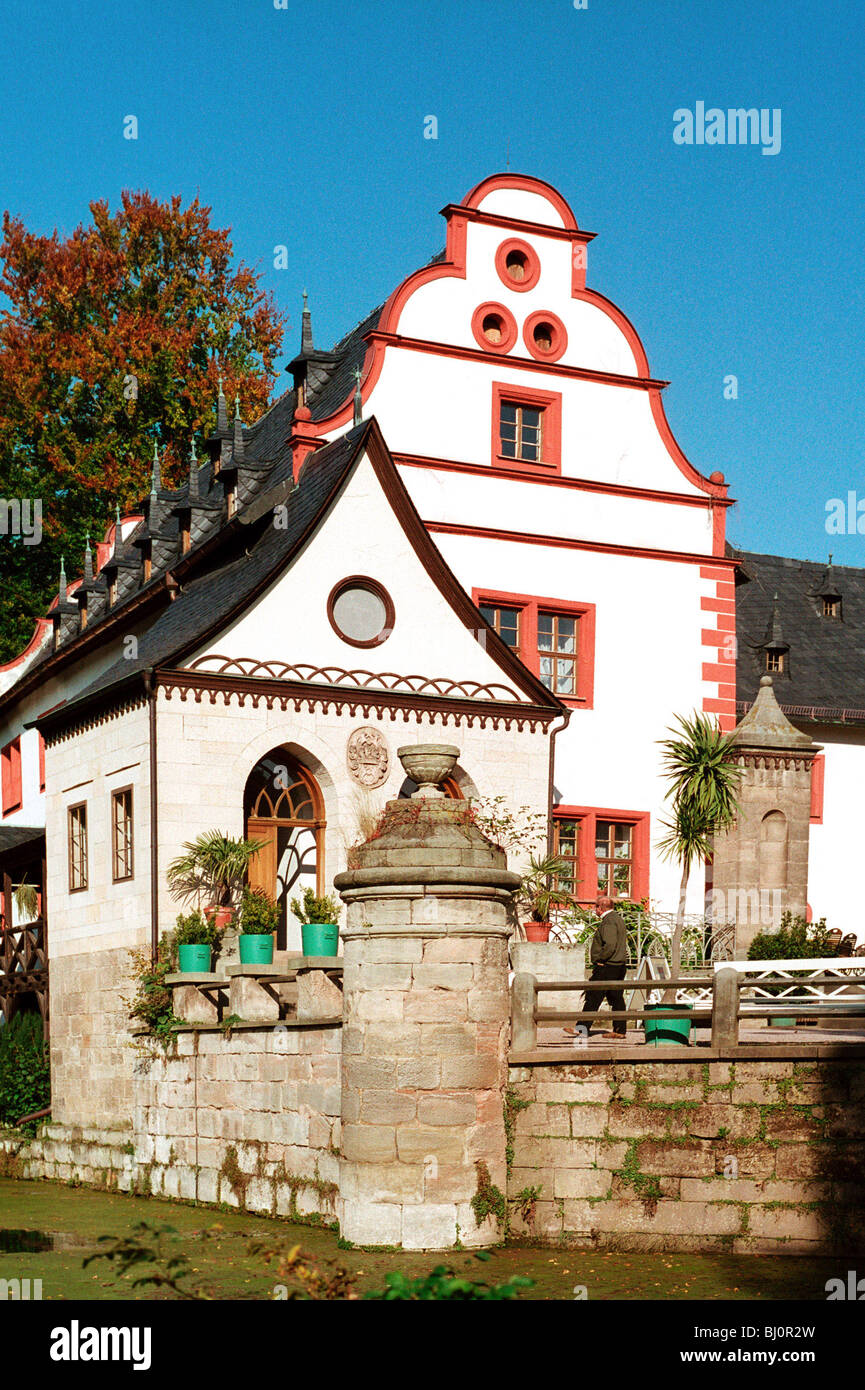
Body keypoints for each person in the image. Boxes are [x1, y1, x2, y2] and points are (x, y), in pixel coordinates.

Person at [567, 895, 629, 1041]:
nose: (594, 909)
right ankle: (620, 1030)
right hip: (618, 965)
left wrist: (600, 959)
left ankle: (581, 1029)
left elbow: (610, 945)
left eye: (595, 906)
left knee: (593, 997)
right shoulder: (618, 919)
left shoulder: (608, 921)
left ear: (601, 908)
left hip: (607, 966)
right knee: (617, 998)